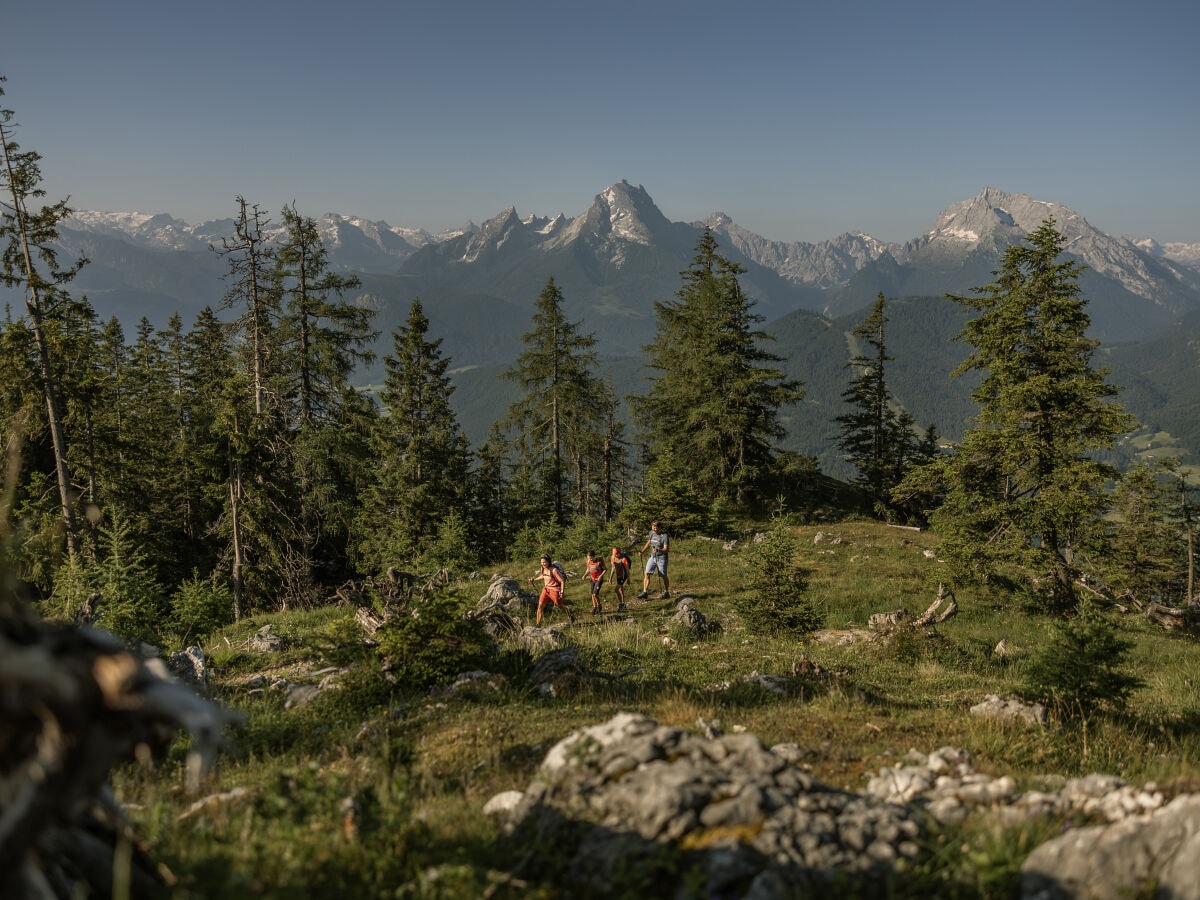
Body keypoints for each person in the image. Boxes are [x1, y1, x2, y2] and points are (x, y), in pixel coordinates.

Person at [529, 554, 573, 626]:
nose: (543, 564)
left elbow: (562, 581)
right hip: (546, 589)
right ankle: (538, 624)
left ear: (549, 562)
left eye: (544, 562)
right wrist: (534, 579)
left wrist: (562, 592)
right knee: (540, 606)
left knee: (559, 605)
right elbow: (543, 575)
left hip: (555, 589)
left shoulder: (554, 570)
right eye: (542, 562)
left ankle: (571, 616)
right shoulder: (542, 568)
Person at [637, 520, 670, 599]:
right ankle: (645, 592)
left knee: (663, 575)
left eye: (655, 528)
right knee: (647, 573)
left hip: (662, 558)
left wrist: (659, 550)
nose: (654, 529)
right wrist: (642, 551)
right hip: (653, 557)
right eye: (653, 527)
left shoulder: (664, 536)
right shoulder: (651, 533)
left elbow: (666, 549)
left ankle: (666, 592)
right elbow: (649, 542)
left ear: (659, 528)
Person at [583, 549, 606, 615]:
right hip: (592, 579)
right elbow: (588, 569)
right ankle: (595, 607)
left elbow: (605, 569)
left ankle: (599, 606)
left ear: (594, 556)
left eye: (591, 558)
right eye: (588, 558)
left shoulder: (599, 561)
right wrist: (584, 575)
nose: (590, 560)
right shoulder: (588, 561)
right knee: (592, 594)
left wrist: (600, 576)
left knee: (595, 594)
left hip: (599, 579)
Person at [610, 546, 632, 611]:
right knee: (620, 590)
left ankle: (622, 604)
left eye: (616, 554)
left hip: (623, 576)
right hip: (618, 575)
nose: (615, 555)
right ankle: (623, 604)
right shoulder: (613, 557)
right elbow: (613, 567)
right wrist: (610, 578)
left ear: (619, 553)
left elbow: (627, 570)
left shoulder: (624, 559)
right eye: (614, 554)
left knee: (616, 589)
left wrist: (628, 579)